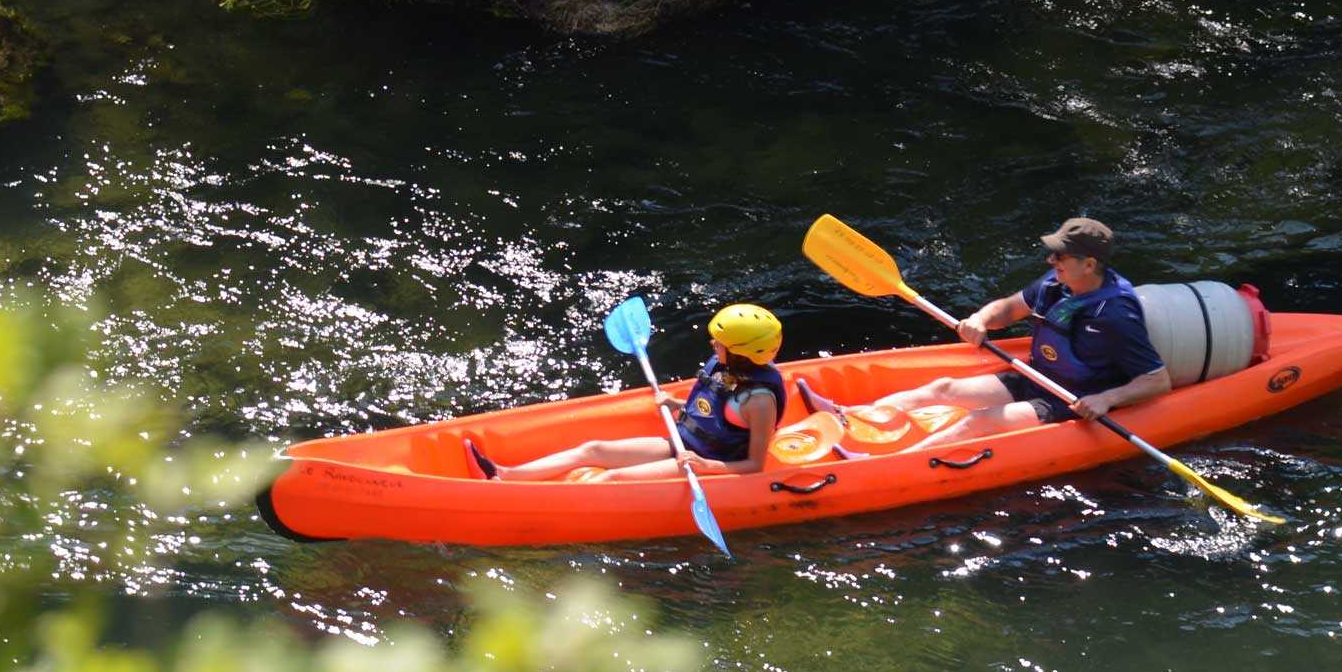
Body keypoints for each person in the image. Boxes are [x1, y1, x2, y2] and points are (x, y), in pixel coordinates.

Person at [799, 217, 1170, 449]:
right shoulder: (1057, 282)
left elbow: (1156, 380)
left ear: (1089, 264)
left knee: (978, 421)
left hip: (1068, 400)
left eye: (1060, 256)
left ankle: (883, 463)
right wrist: (979, 319)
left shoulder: (1116, 312)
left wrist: (1107, 399)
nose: (1050, 260)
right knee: (943, 388)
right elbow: (1008, 309)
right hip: (1035, 376)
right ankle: (850, 415)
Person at [468, 304, 788, 482]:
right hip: (682, 442)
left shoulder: (759, 401)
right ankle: (504, 476)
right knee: (593, 449)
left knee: (611, 479)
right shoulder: (726, 366)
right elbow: (714, 407)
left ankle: (523, 502)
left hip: (704, 462)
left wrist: (707, 467)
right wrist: (678, 404)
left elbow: (754, 465)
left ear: (741, 352)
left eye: (720, 342)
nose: (712, 344)